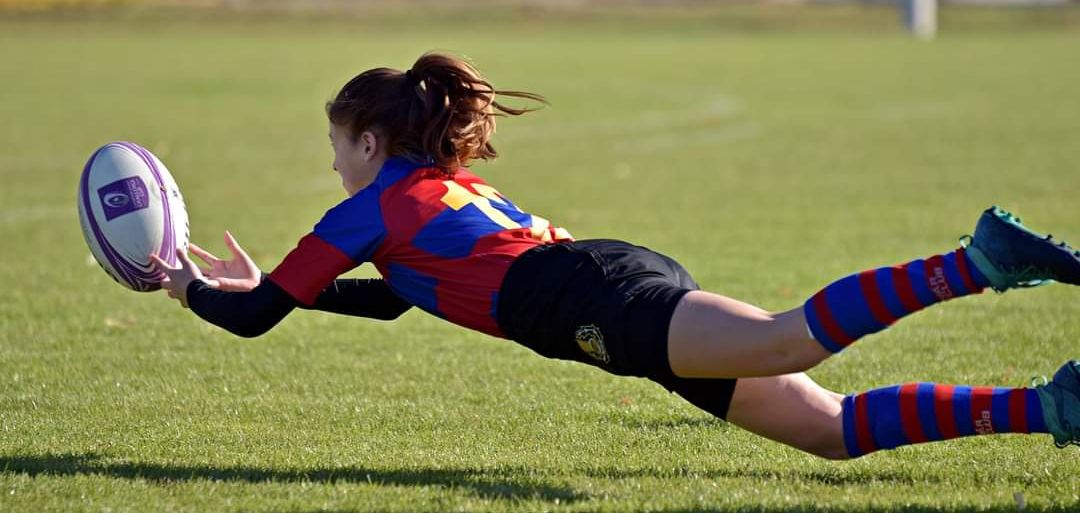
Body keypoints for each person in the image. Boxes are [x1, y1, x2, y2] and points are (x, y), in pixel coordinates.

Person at [152, 52, 1080, 460]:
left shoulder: (372, 206)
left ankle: (973, 262)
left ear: (367, 142)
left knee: (789, 340)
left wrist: (190, 284)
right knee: (825, 429)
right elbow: (397, 299)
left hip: (585, 299)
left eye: (335, 145)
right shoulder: (430, 198)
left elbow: (253, 318)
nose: (331, 163)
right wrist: (278, 287)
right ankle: (1050, 406)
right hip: (602, 280)